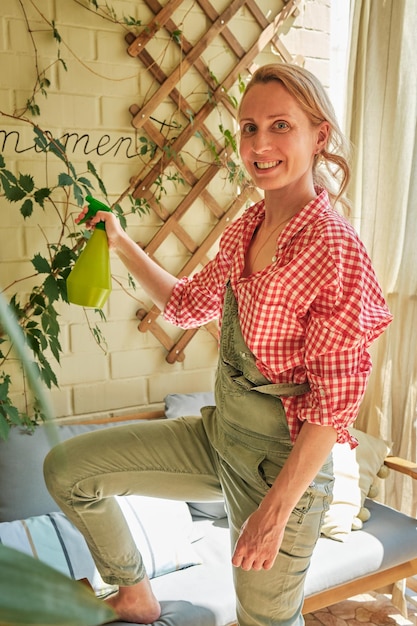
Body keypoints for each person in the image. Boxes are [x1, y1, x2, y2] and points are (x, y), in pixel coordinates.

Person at [44, 63, 392, 626]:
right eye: (249, 127)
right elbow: (185, 304)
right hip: (220, 437)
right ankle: (135, 594)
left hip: (282, 470)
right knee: (67, 469)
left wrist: (274, 513)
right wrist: (120, 241)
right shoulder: (246, 227)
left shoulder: (334, 249)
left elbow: (333, 406)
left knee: (265, 621)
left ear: (318, 136)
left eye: (281, 126)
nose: (260, 143)